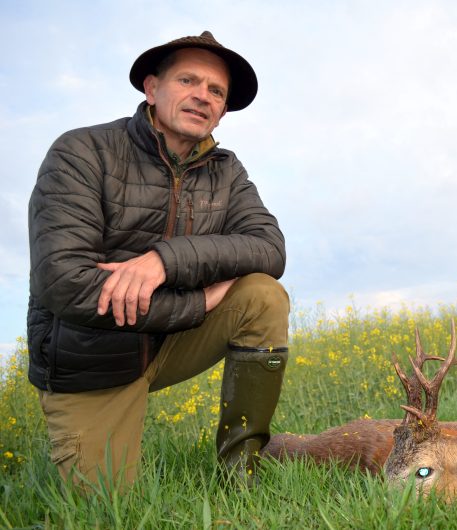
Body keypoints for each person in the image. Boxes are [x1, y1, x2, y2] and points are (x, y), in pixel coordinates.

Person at [27, 31, 289, 490]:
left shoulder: (227, 171)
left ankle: (241, 474)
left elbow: (269, 247)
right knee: (106, 511)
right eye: (188, 80)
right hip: (94, 360)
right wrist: (199, 302)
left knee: (263, 295)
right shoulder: (81, 151)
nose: (202, 96)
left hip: (172, 343)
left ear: (222, 111)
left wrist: (165, 261)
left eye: (216, 91)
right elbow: (64, 282)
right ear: (151, 88)